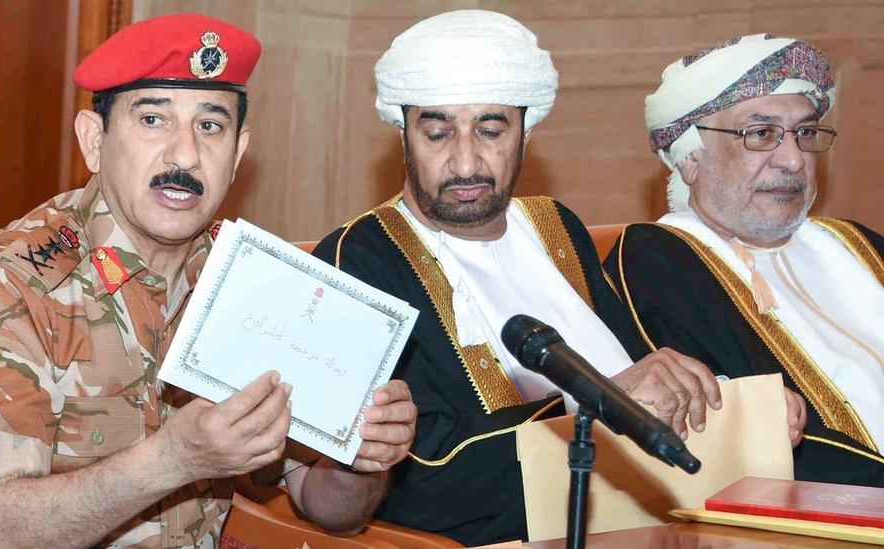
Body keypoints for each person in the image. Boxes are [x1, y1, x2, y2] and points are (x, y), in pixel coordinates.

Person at [0, 14, 416, 548]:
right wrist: (172, 460)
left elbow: (324, 506)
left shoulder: (249, 282)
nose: (185, 155)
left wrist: (363, 459)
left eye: (210, 126)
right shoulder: (8, 285)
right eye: (153, 119)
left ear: (237, 154)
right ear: (94, 141)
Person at [311, 11, 799, 546]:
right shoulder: (362, 255)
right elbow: (425, 480)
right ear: (403, 133)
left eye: (492, 130)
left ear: (527, 132)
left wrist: (743, 411)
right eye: (437, 133)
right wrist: (600, 405)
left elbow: (645, 373)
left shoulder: (553, 226)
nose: (466, 161)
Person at [605, 34, 884, 487]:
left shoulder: (854, 244)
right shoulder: (659, 261)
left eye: (805, 133)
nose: (794, 160)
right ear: (690, 159)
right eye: (761, 134)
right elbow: (729, 433)